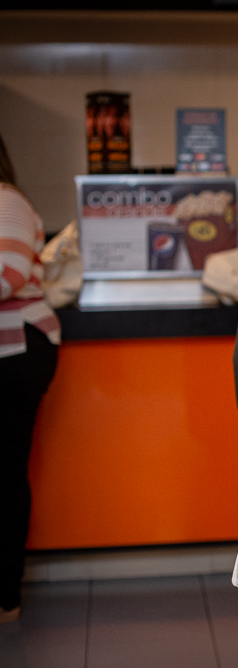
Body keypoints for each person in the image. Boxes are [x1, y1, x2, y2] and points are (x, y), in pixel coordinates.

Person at [0, 133, 60, 623]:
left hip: (15, 349)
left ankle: (6, 593)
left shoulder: (7, 201)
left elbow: (10, 272)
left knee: (4, 472)